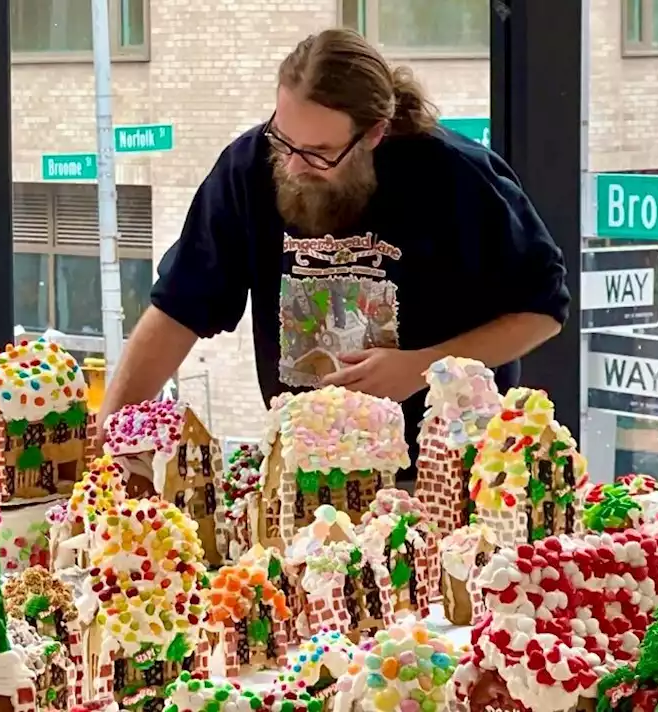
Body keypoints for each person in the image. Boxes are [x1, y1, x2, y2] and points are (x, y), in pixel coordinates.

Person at [97, 28, 570, 483]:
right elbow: (178, 310)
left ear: (374, 133)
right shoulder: (248, 169)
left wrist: (423, 366)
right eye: (285, 141)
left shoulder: (456, 177)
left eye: (320, 152)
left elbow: (542, 310)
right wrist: (107, 446)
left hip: (445, 475)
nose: (296, 164)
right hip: (305, 475)